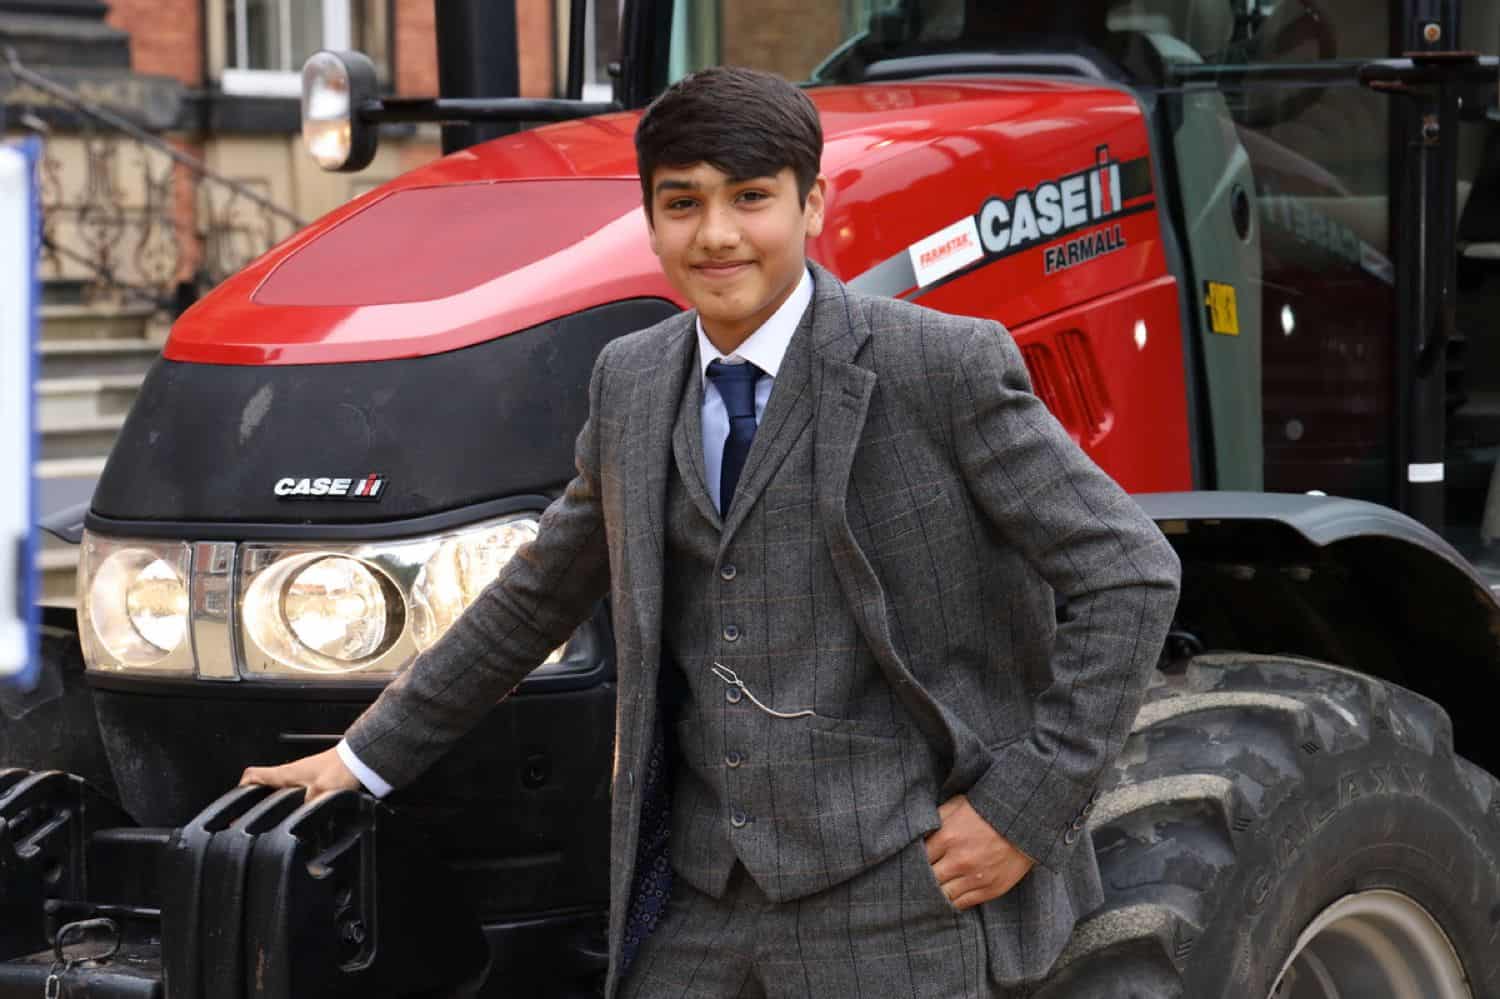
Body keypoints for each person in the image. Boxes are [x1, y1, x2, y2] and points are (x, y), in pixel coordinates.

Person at [243, 66, 1181, 998]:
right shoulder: (633, 381)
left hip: (900, 888)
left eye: (751, 198)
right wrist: (361, 758)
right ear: (650, 220)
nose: (718, 233)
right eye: (682, 202)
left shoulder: (939, 365)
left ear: (813, 206)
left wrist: (1022, 810)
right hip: (698, 895)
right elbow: (538, 593)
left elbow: (1130, 574)